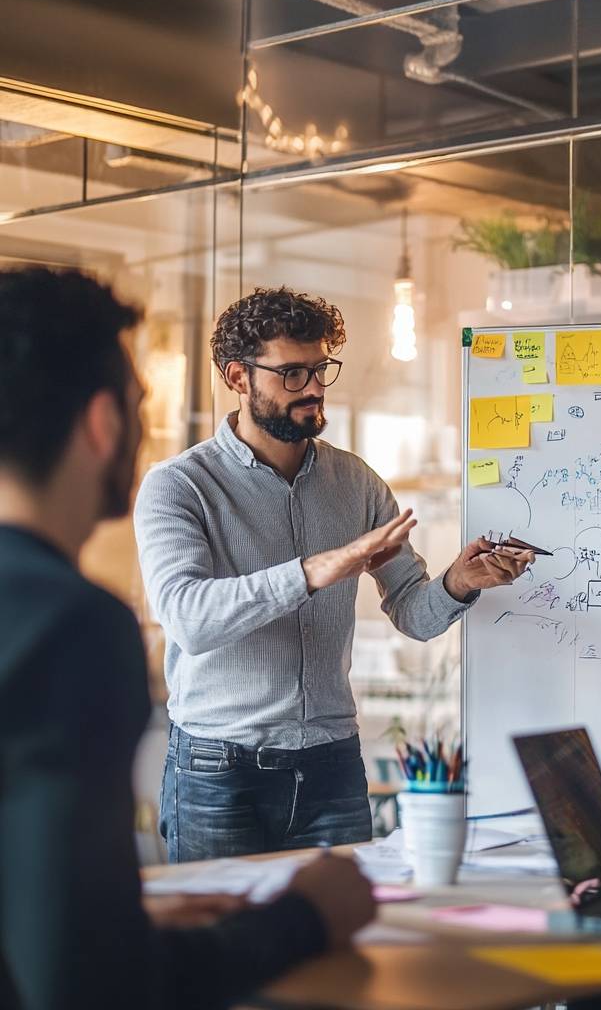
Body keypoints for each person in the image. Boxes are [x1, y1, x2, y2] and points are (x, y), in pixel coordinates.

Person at [0, 267, 376, 1010]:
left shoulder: (353, 480)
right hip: (218, 766)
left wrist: (130, 918)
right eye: (142, 404)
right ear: (106, 423)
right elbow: (86, 982)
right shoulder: (69, 626)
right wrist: (306, 918)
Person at [134, 286, 533, 861]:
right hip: (218, 772)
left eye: (321, 369)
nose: (315, 388)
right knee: (224, 948)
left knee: (343, 939)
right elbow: (190, 619)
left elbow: (416, 615)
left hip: (332, 766)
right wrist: (323, 567)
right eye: (292, 373)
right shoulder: (180, 485)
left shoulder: (357, 482)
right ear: (238, 378)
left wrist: (461, 582)